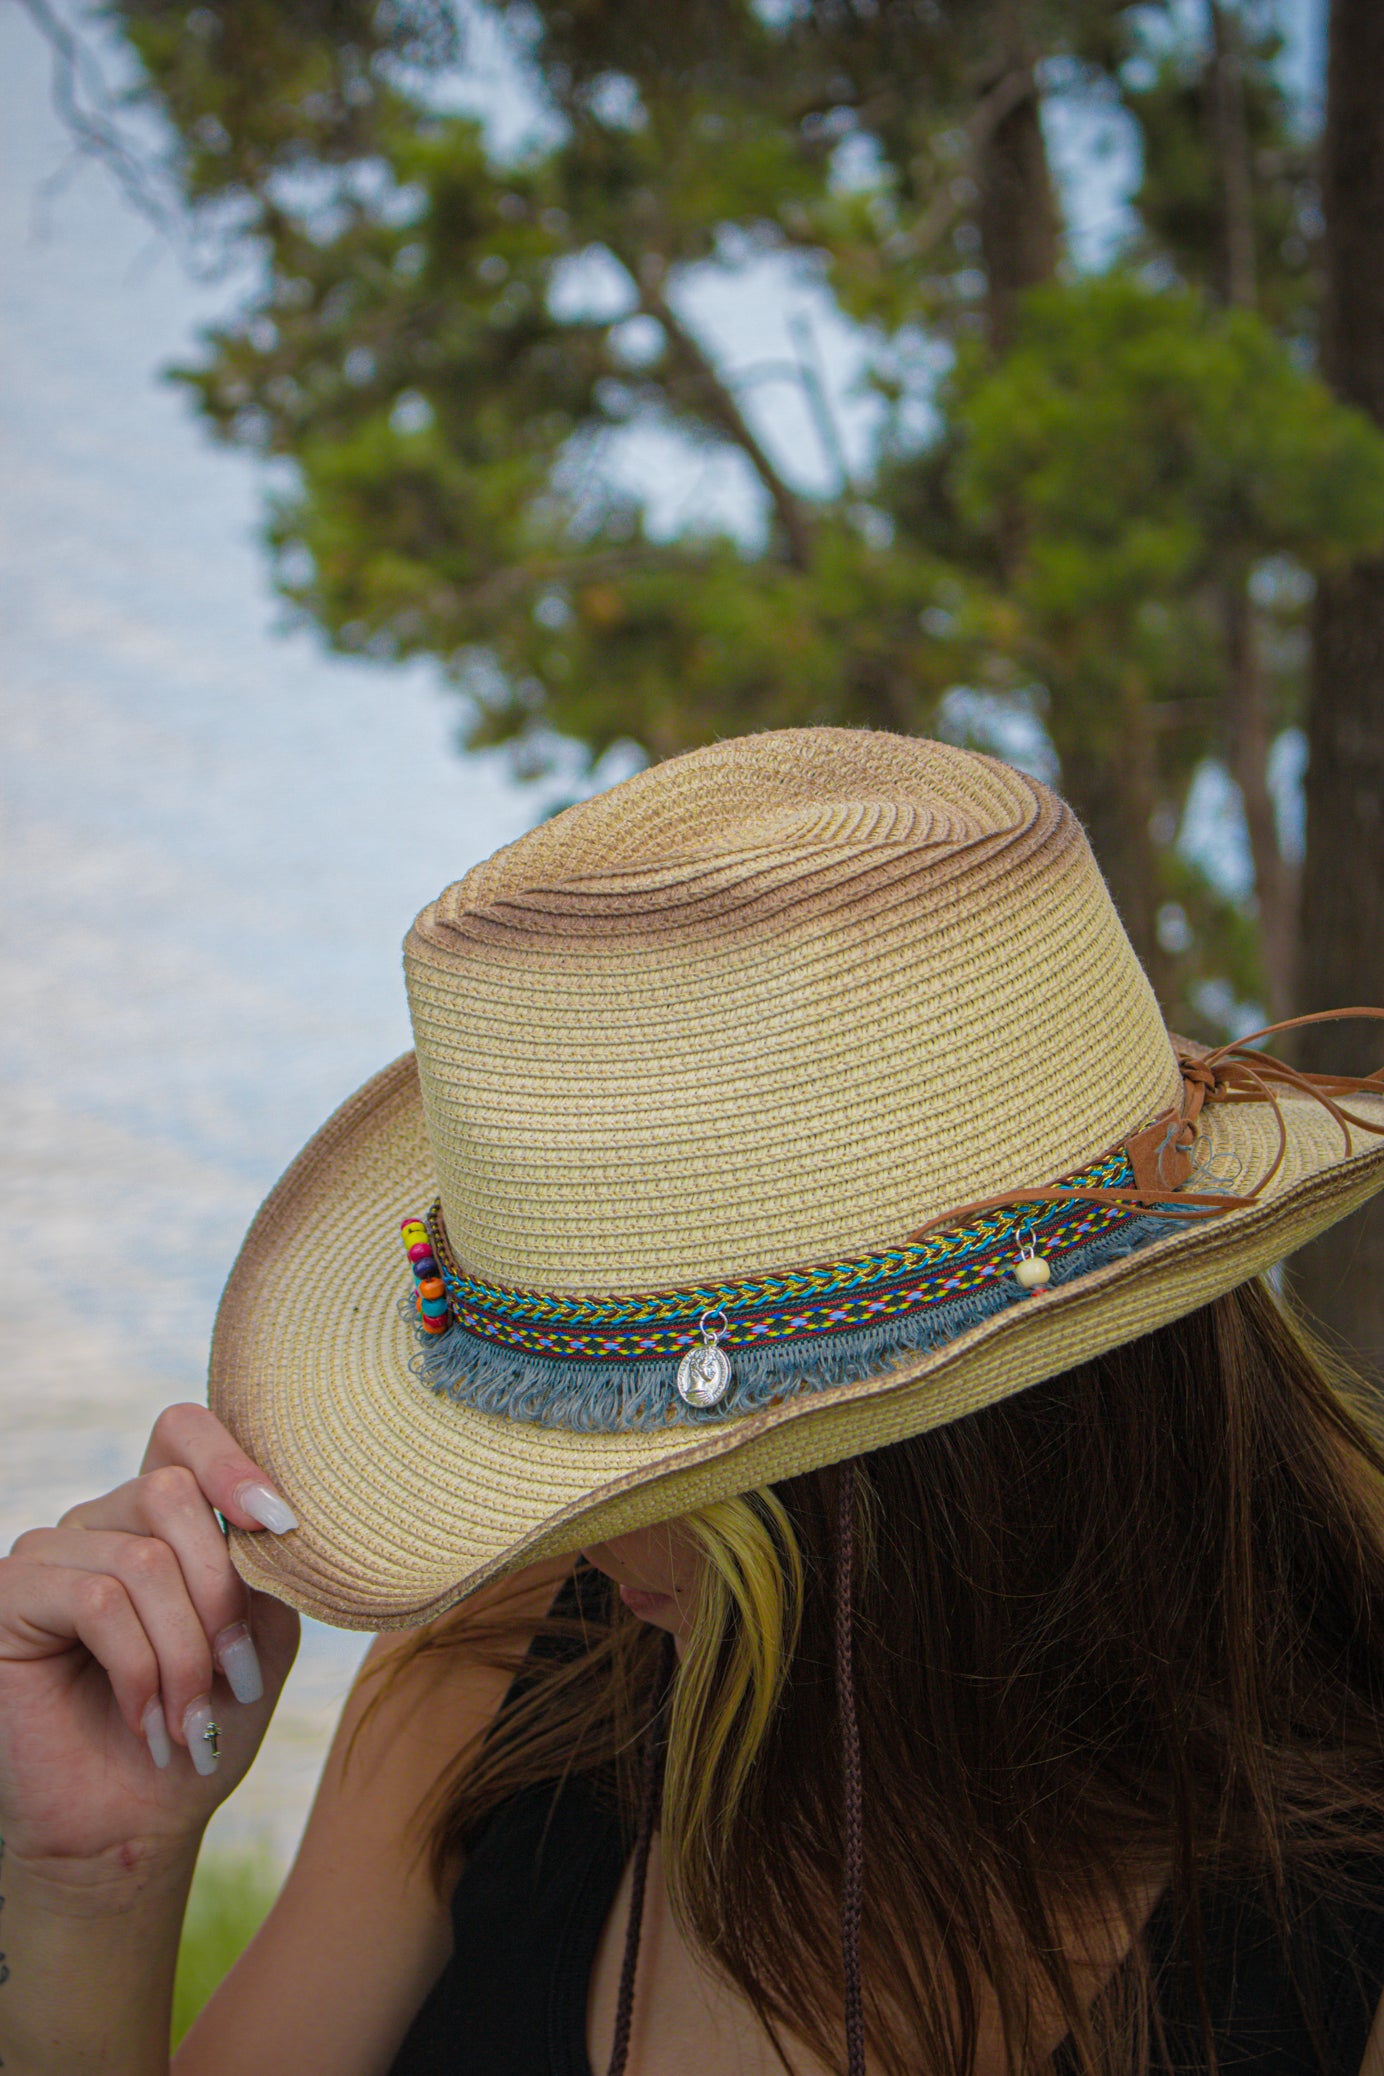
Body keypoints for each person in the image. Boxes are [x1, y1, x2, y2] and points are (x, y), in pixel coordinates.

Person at [3, 728, 1384, 2076]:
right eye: (547, 1446)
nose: (576, 1538)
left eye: (659, 1465)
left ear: (959, 1457)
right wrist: (88, 1884)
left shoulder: (1341, 1902)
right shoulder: (496, 1685)